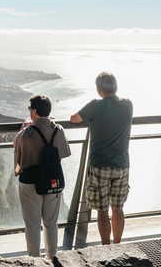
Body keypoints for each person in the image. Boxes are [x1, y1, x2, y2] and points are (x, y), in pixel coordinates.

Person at [70, 72, 133, 245]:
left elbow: (74, 119)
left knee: (102, 210)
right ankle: (117, 245)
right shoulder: (128, 105)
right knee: (118, 208)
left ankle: (106, 248)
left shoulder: (95, 106)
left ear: (99, 89)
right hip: (121, 164)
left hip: (100, 165)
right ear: (116, 87)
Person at [13, 95, 71, 260]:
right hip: (52, 180)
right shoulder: (58, 130)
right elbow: (63, 152)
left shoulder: (27, 132)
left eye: (30, 109)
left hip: (30, 182)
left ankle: (35, 259)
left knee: (32, 224)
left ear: (35, 111)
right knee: (51, 221)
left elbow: (16, 146)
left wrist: (23, 129)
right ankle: (52, 256)